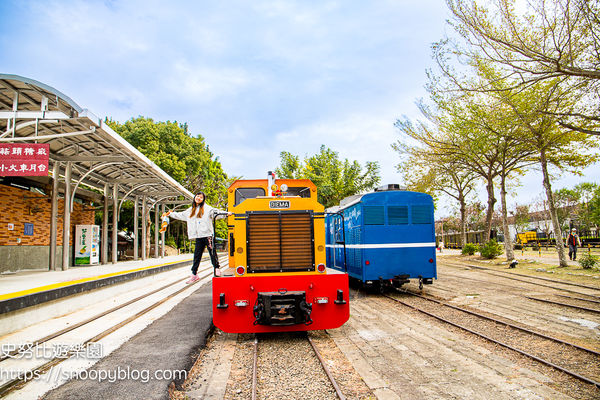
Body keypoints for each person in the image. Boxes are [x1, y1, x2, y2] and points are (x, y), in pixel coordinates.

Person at [165, 192, 232, 283]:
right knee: (197, 255)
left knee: (212, 253)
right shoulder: (190, 210)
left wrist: (227, 213)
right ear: (195, 197)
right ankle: (194, 274)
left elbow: (217, 213)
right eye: (197, 196)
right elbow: (181, 215)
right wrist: (171, 214)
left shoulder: (208, 209)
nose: (199, 198)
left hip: (208, 235)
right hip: (198, 236)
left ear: (203, 199)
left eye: (201, 197)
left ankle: (217, 268)